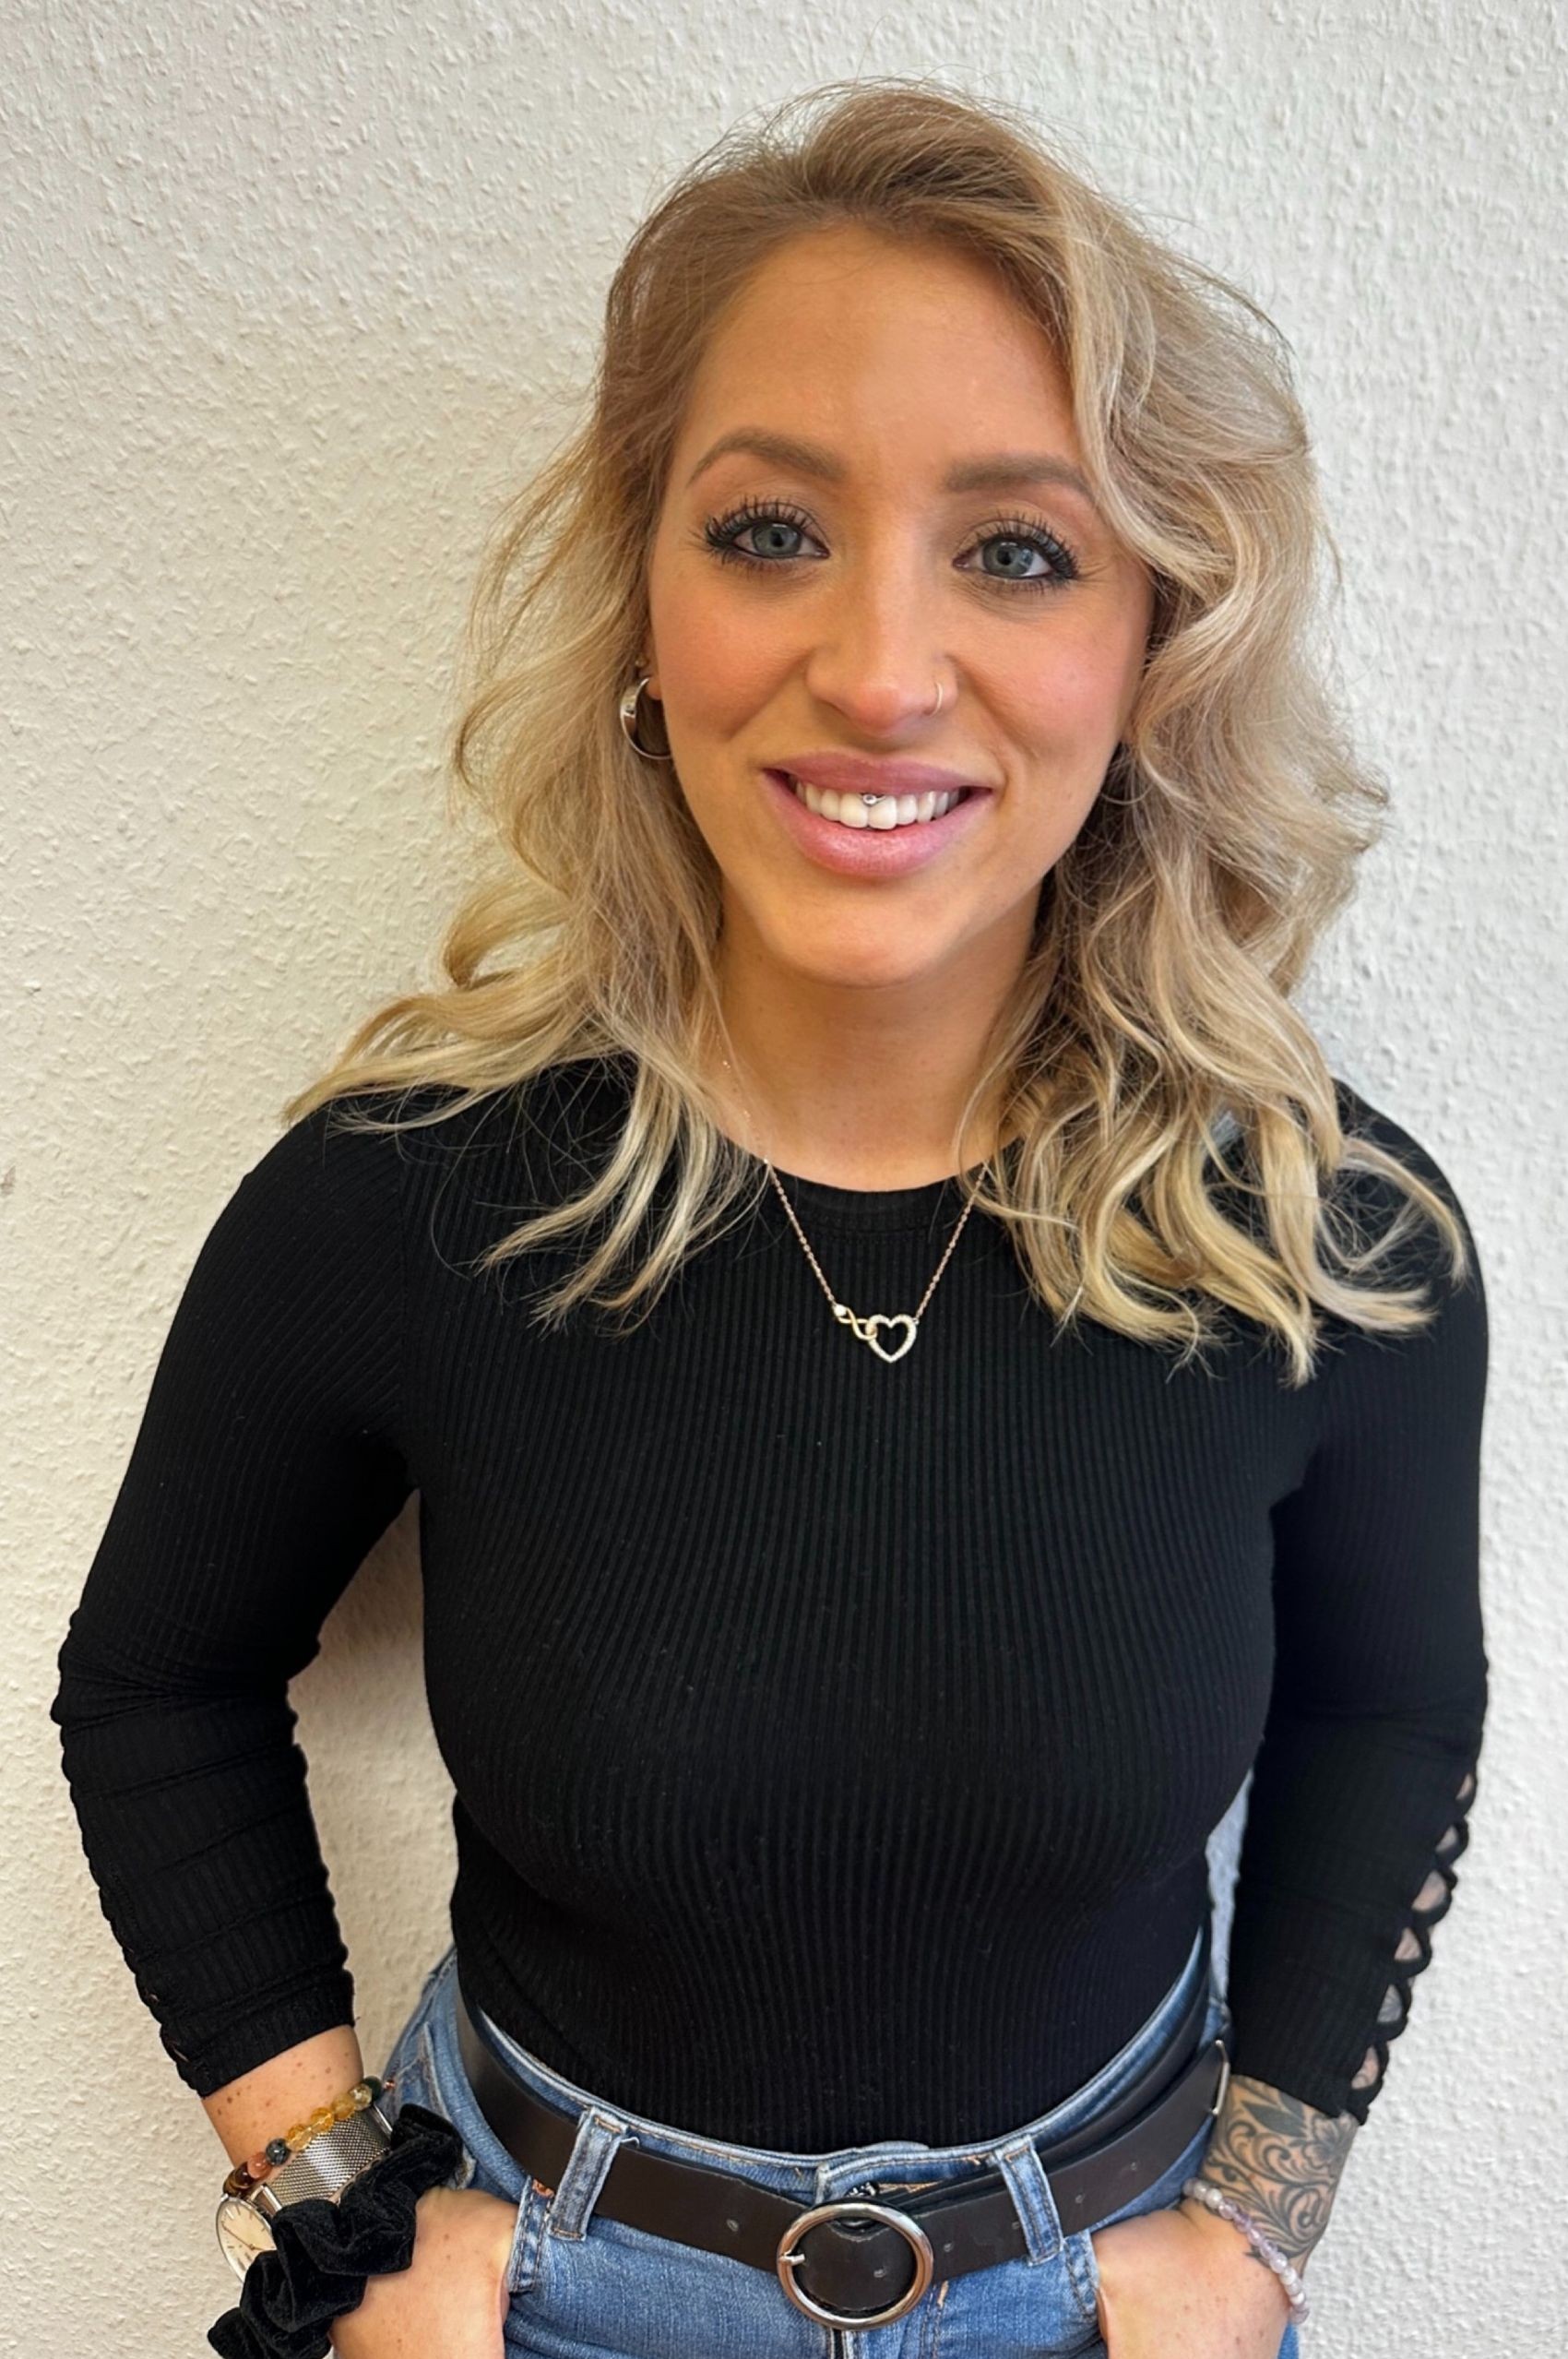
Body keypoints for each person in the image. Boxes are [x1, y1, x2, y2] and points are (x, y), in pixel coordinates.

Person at [51, 75, 1488, 2359]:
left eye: (1017, 550)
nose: (882, 669)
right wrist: (334, 2210)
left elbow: (1390, 1711)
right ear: (646, 595)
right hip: (528, 2290)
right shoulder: (407, 1194)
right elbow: (154, 1684)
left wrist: (1257, 2227)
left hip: (1102, 2300)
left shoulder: (1328, 1232)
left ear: (1155, 637)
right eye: (770, 530)